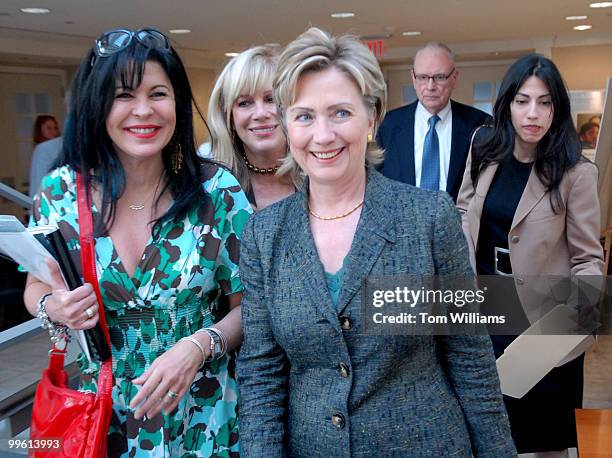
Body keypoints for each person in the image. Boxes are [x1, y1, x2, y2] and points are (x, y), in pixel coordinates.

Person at [237, 27, 515, 457]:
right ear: (287, 125)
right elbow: (261, 376)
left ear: (372, 117)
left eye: (341, 113)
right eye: (305, 115)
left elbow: (470, 359)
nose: (323, 135)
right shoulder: (264, 235)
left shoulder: (427, 218)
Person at [23, 28, 251, 456]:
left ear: (178, 104)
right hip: (102, 415)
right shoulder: (61, 194)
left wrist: (198, 346)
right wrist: (52, 306)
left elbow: (252, 306)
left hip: (203, 415)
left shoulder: (217, 191)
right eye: (123, 95)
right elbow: (37, 284)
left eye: (158, 94)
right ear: (97, 105)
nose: (143, 111)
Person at [457, 54, 604, 456]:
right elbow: (463, 211)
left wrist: (565, 330)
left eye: (545, 102)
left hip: (543, 327)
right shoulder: (484, 146)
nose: (533, 113)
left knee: (541, 443)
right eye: (523, 101)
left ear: (558, 108)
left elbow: (588, 259)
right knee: (486, 433)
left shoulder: (575, 172)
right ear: (507, 104)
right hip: (485, 311)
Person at [377, 42, 490, 202]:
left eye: (440, 77)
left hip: (459, 225)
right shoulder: (387, 126)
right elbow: (376, 187)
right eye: (423, 77)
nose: (430, 86)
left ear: (454, 77)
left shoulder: (480, 125)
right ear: (413, 77)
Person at [208, 45, 294, 210]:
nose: (261, 114)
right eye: (244, 103)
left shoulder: (320, 177)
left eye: (271, 99)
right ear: (229, 117)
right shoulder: (210, 188)